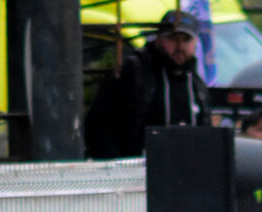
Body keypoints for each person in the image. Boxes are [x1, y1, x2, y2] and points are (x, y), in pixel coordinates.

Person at [83, 7, 210, 159]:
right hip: (135, 168)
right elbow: (97, 124)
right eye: (173, 38)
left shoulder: (196, 84)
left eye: (186, 40)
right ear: (159, 39)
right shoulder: (134, 71)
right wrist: (119, 164)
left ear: (195, 43)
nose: (179, 46)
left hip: (184, 167)